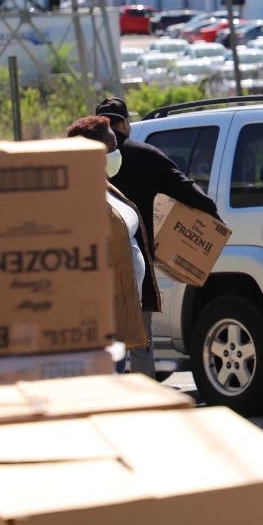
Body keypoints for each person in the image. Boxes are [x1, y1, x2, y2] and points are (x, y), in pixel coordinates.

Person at [67, 116, 161, 376]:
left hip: (121, 316)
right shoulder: (78, 197)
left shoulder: (106, 186)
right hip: (102, 321)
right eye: (111, 147)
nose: (117, 153)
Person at [94, 96, 222, 249]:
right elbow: (182, 187)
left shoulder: (86, 160)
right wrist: (213, 213)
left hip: (100, 253)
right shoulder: (145, 154)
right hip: (140, 253)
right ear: (124, 124)